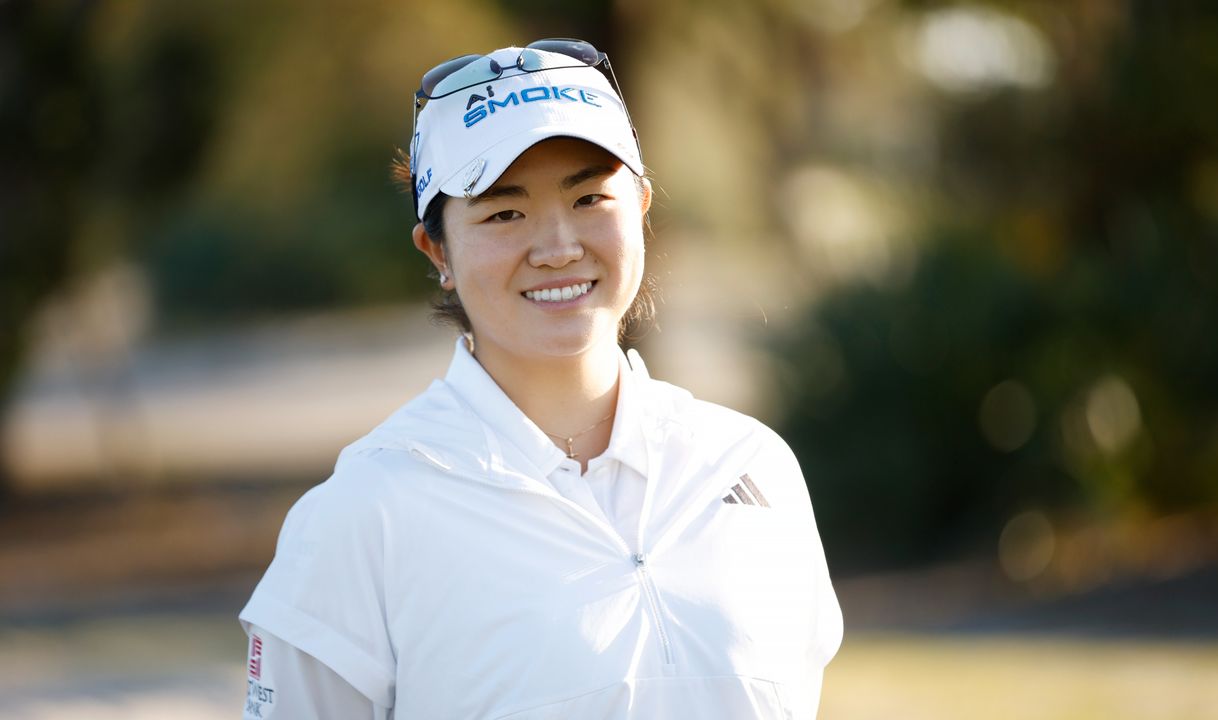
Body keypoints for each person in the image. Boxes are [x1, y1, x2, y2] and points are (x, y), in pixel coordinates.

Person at [239, 39, 843, 720]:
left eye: (590, 197)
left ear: (641, 207)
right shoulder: (362, 514)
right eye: (505, 212)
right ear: (436, 249)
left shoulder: (751, 467)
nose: (558, 247)